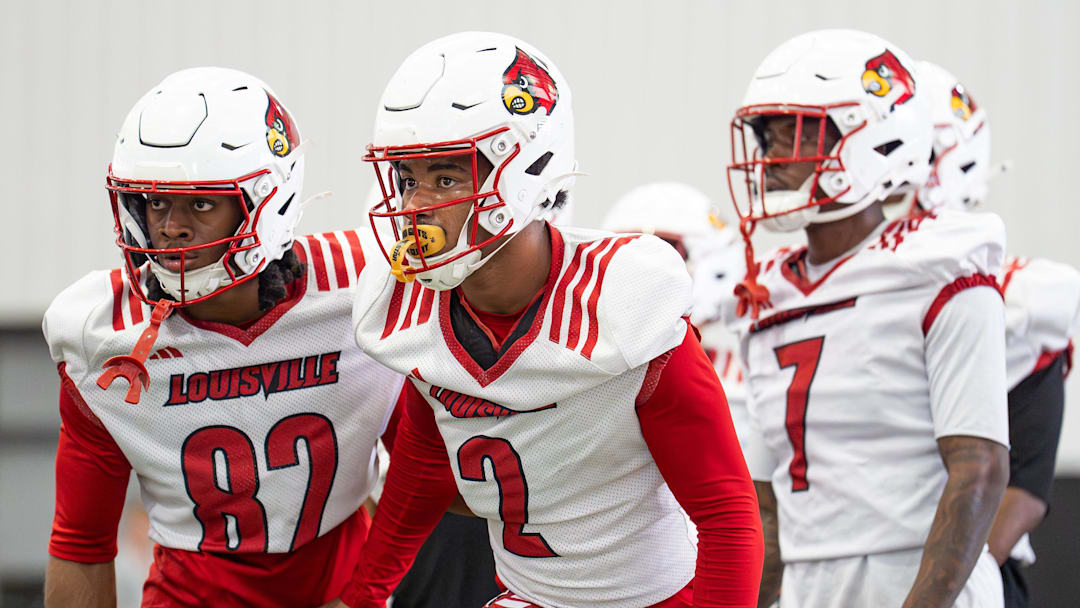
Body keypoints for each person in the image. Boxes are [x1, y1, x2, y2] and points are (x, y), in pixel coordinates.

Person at [337, 32, 763, 608]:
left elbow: (727, 517)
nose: (415, 208)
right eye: (409, 179)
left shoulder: (624, 305)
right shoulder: (411, 309)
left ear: (526, 173)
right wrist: (361, 597)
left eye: (445, 178)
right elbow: (421, 473)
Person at [43, 67, 404, 607]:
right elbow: (80, 542)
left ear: (268, 202)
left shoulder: (363, 290)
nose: (170, 228)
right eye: (155, 202)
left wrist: (365, 594)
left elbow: (430, 473)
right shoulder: (102, 333)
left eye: (201, 203)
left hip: (342, 589)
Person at [725, 30, 1010, 607]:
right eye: (767, 134)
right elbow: (770, 495)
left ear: (875, 137)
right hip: (809, 585)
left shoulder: (940, 267)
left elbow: (979, 467)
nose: (772, 156)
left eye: (796, 131)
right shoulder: (770, 291)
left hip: (916, 574)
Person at [912, 60, 1080, 608]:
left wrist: (939, 588)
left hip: (954, 578)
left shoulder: (1017, 301)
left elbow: (1021, 494)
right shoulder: (812, 288)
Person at [601, 182, 751, 452]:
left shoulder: (747, 381)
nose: (639, 274)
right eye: (622, 255)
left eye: (666, 251)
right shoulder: (588, 368)